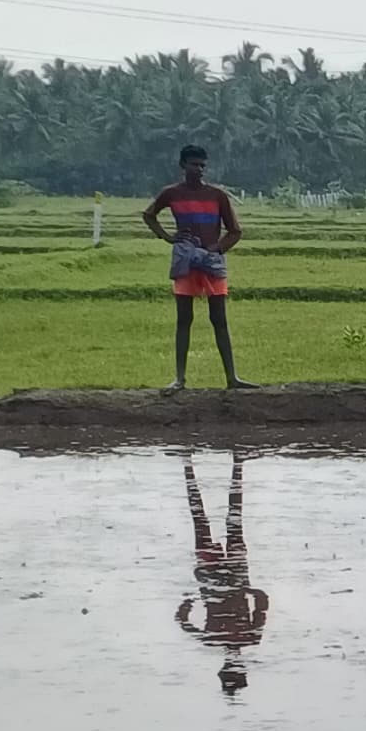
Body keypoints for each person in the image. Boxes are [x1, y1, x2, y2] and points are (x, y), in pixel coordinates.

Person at [139, 145, 254, 390]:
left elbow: (235, 231)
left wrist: (217, 249)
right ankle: (180, 378)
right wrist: (168, 237)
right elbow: (149, 215)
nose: (199, 169)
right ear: (183, 165)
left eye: (202, 165)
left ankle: (232, 378)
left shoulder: (217, 195)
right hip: (185, 258)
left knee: (219, 319)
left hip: (212, 260)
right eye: (194, 164)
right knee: (184, 319)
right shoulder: (171, 193)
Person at [176, 449, 271, 693]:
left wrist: (247, 589)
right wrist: (195, 598)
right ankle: (190, 462)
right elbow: (183, 620)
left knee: (231, 519)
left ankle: (234, 461)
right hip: (214, 578)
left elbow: (262, 600)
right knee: (205, 518)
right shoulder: (220, 640)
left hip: (232, 576)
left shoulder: (249, 638)